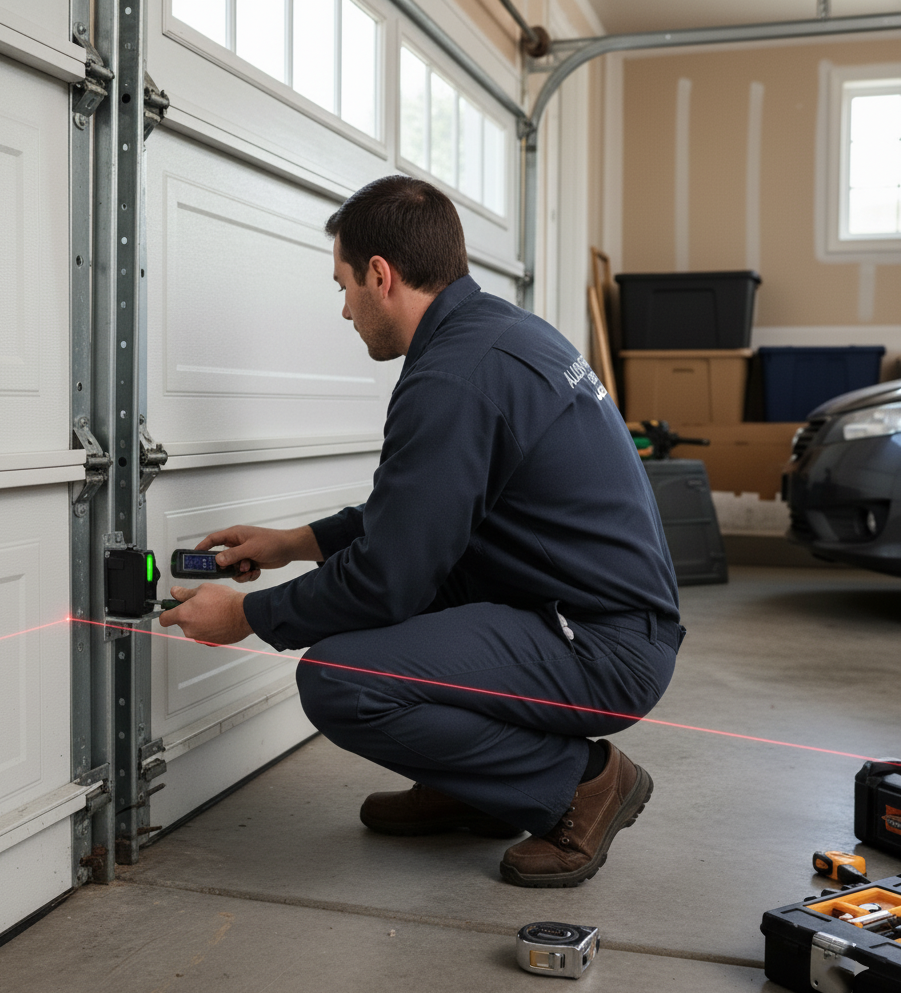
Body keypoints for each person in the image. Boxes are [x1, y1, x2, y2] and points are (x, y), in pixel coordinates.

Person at [159, 175, 685, 888]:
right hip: (580, 614)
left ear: (381, 275)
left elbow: (389, 577)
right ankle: (477, 787)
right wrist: (291, 543)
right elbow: (422, 520)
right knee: (402, 615)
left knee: (342, 679)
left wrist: (249, 615)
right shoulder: (497, 333)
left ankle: (584, 784)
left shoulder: (454, 377)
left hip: (598, 645)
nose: (344, 309)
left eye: (342, 284)